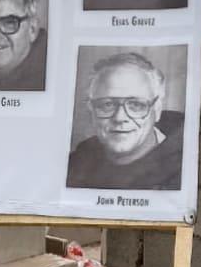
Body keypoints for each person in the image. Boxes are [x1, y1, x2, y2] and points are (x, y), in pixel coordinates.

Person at [66, 52, 183, 190]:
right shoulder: (75, 164)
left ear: (157, 110)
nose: (119, 118)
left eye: (136, 105)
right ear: (91, 109)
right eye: (107, 104)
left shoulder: (184, 168)